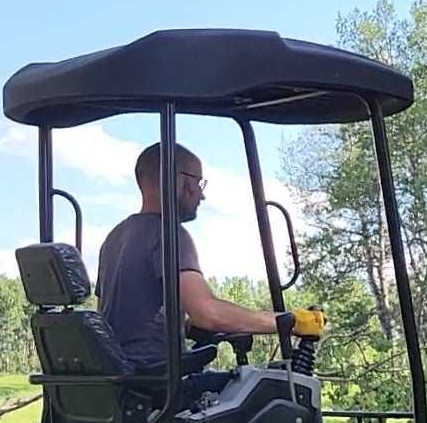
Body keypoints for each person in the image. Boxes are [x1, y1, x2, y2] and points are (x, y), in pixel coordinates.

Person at [95, 141, 323, 369]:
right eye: (199, 182)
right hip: (157, 383)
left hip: (120, 382)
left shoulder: (114, 238)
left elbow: (124, 322)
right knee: (270, 389)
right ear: (183, 182)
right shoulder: (169, 234)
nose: (201, 195)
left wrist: (186, 327)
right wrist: (289, 321)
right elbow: (207, 313)